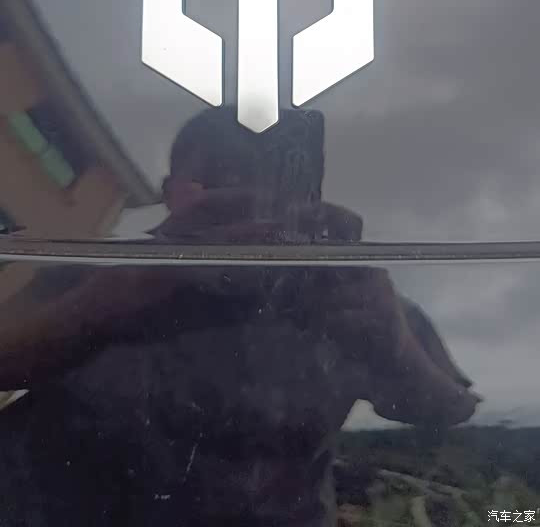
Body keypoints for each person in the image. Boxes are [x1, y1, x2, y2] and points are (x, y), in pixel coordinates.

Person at [0, 107, 479, 526]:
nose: (248, 207)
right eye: (219, 184)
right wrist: (108, 302)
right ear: (171, 193)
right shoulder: (95, 275)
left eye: (271, 188)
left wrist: (394, 349)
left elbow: (450, 409)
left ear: (308, 201)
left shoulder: (346, 294)